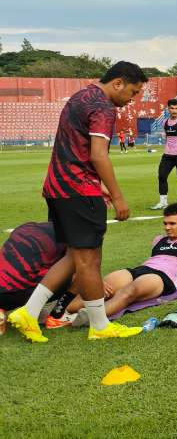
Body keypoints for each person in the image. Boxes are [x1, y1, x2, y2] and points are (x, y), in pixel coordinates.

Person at [7, 61, 146, 343]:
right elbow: (98, 155)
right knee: (89, 259)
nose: (132, 99)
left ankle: (28, 313)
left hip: (57, 187)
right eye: (132, 92)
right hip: (79, 190)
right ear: (117, 82)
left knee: (73, 256)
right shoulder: (103, 107)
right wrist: (117, 195)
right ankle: (100, 326)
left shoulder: (79, 97)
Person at [49, 203, 177, 327]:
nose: (167, 227)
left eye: (172, 223)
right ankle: (61, 312)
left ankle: (91, 317)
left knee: (130, 291)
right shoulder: (158, 239)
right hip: (142, 269)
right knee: (102, 286)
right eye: (165, 223)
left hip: (163, 277)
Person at [0, 222, 68, 312]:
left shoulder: (27, 227)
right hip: (8, 295)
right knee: (79, 269)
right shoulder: (70, 238)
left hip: (5, 289)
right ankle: (61, 313)